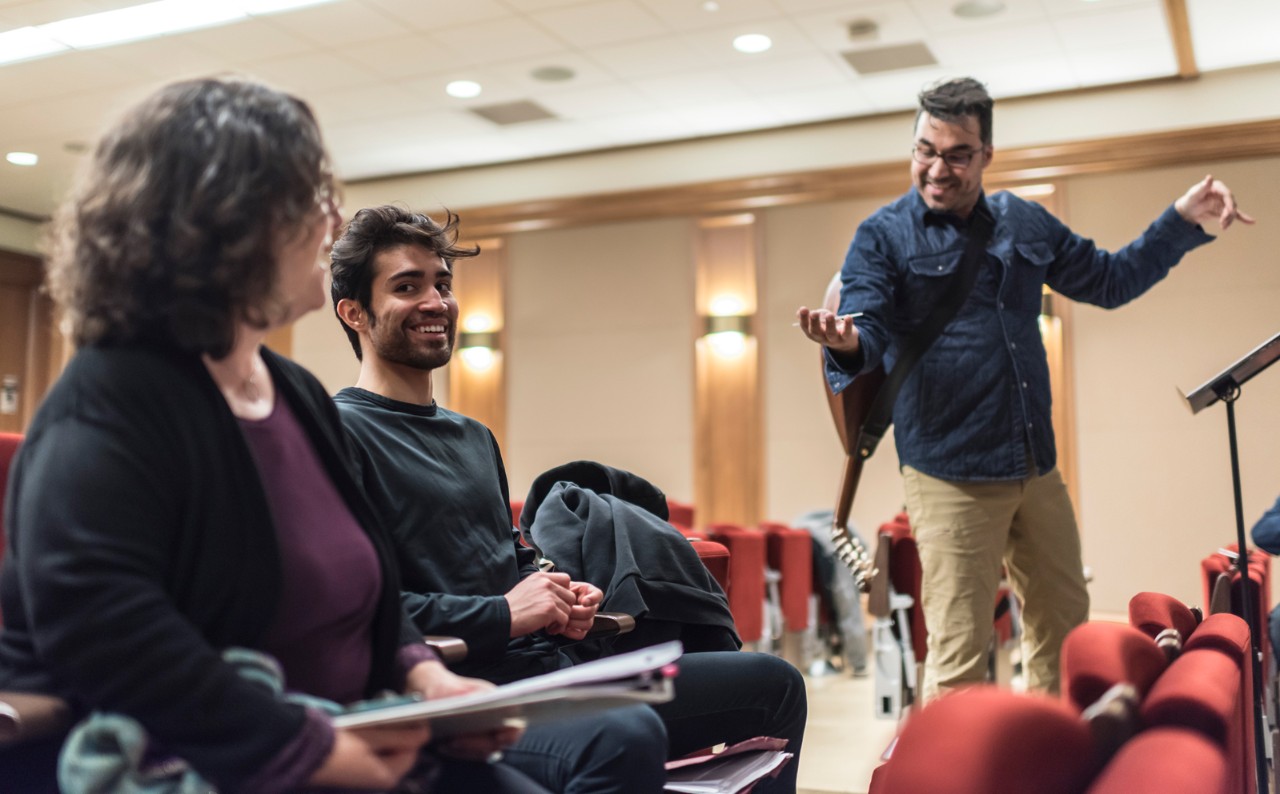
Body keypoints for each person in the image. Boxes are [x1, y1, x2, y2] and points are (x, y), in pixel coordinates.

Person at [0, 77, 544, 793]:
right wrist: (298, 749)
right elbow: (104, 629)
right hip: (226, 760)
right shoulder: (111, 399)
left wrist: (426, 678)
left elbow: (376, 593)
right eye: (312, 197)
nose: (332, 217)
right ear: (225, 220)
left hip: (348, 734)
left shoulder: (292, 391)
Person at [796, 77, 1254, 700]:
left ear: (987, 154)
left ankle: (1045, 762)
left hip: (1035, 466)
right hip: (949, 474)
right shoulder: (882, 236)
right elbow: (868, 329)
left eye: (957, 153)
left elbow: (1110, 280)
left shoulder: (1023, 222)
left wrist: (1179, 222)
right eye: (924, 149)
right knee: (960, 654)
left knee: (1064, 632)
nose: (936, 168)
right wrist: (845, 342)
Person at [329, 204, 808, 793]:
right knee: (623, 732)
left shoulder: (473, 436)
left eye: (443, 284)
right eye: (407, 286)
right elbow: (355, 609)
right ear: (354, 312)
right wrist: (506, 613)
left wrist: (561, 595)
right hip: (460, 691)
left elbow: (507, 557)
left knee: (774, 684)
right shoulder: (336, 433)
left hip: (549, 671)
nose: (436, 302)